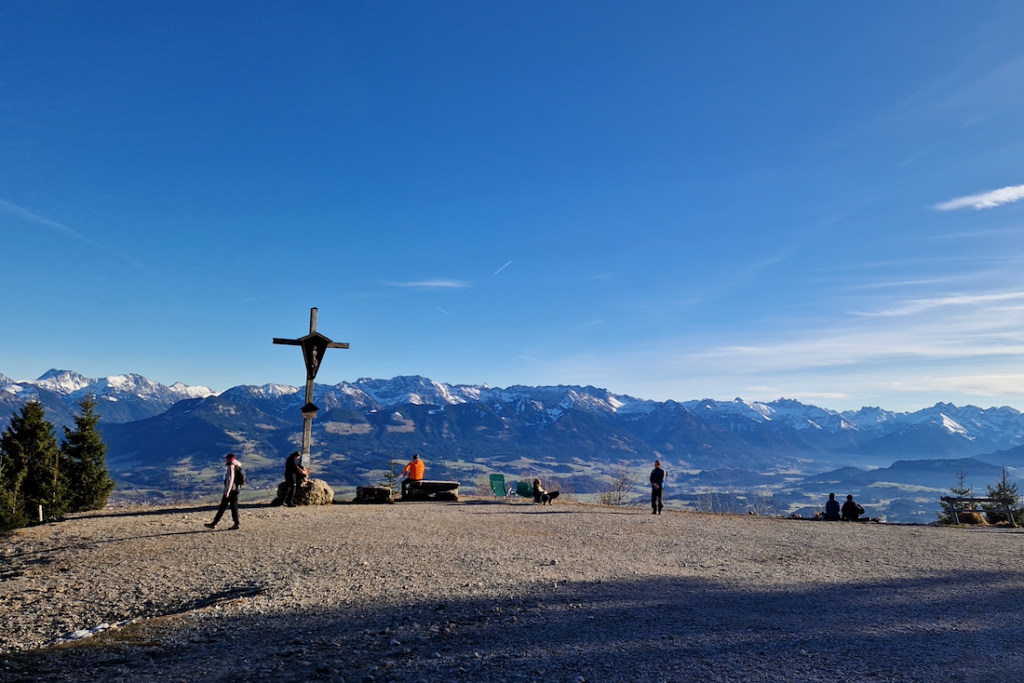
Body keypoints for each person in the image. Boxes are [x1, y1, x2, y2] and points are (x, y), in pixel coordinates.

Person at [205, 453, 242, 530]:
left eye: (226, 459)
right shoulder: (237, 465)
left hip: (230, 491)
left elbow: (230, 480)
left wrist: (227, 492)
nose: (225, 460)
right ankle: (236, 523)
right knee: (233, 507)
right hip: (236, 489)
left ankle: (214, 523)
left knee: (223, 507)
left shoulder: (231, 467)